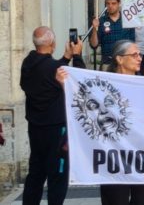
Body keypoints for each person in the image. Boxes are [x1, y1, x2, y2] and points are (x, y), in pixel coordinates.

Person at [73, 40, 144, 205]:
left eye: (140, 54)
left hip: (142, 157)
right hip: (113, 158)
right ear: (119, 59)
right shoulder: (102, 86)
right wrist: (65, 81)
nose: (139, 58)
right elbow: (81, 95)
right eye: (134, 54)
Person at [20, 26, 85, 205]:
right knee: (57, 175)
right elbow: (80, 84)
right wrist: (77, 55)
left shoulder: (28, 62)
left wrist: (65, 58)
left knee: (36, 173)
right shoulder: (54, 68)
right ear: (52, 43)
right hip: (57, 129)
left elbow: (49, 71)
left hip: (35, 127)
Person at [90, 0, 136, 71]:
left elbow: (132, 44)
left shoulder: (127, 20)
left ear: (119, 3)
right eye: (108, 3)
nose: (110, 6)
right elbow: (94, 45)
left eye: (113, 3)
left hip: (124, 63)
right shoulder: (101, 21)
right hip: (107, 63)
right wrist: (94, 29)